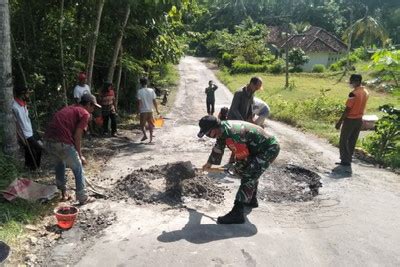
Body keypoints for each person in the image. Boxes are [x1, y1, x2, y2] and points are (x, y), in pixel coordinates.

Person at [198, 115, 280, 224]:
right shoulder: (222, 129)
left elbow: (243, 159)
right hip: (256, 148)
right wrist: (209, 163)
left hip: (268, 149)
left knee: (249, 174)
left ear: (215, 128)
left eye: (208, 133)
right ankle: (251, 200)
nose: (208, 136)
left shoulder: (233, 134)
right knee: (249, 171)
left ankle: (237, 213)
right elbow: (219, 146)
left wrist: (235, 168)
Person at [44, 94, 101, 204]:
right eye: (93, 107)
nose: (93, 110)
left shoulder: (70, 108)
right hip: (62, 143)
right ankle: (83, 197)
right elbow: (77, 135)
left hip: (48, 142)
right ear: (89, 104)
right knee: (78, 167)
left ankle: (63, 194)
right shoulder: (84, 113)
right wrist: (79, 155)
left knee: (60, 164)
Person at [335, 74, 369, 168]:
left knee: (343, 140)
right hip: (359, 119)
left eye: (351, 81)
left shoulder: (353, 94)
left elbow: (347, 109)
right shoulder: (365, 92)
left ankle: (344, 160)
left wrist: (340, 121)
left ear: (356, 81)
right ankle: (348, 159)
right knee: (352, 140)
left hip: (350, 119)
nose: (350, 83)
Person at [12, 87, 42, 170]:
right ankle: (35, 168)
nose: (28, 95)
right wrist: (21, 137)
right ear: (22, 95)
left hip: (29, 131)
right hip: (25, 134)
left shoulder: (23, 103)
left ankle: (27, 167)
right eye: (27, 94)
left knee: (29, 151)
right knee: (38, 149)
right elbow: (15, 124)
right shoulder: (14, 106)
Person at [137, 77, 160, 143]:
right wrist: (157, 110)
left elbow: (139, 103)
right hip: (150, 110)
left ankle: (145, 135)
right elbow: (154, 101)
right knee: (150, 124)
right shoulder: (151, 90)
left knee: (142, 125)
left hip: (143, 111)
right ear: (147, 83)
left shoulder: (139, 91)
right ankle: (150, 139)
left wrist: (138, 111)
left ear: (140, 83)